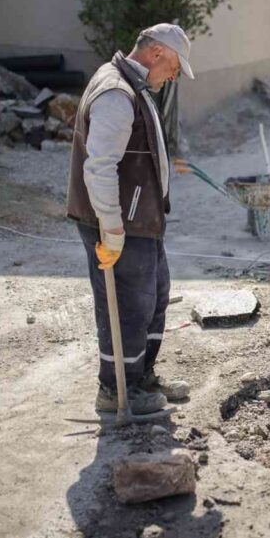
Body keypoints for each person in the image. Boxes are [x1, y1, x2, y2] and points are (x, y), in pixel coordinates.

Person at [66, 23, 195, 414]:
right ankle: (116, 390)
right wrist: (112, 229)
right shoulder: (116, 92)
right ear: (156, 53)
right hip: (122, 223)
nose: (174, 76)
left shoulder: (133, 86)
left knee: (153, 297)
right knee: (126, 305)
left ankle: (142, 376)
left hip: (143, 220)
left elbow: (132, 150)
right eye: (174, 66)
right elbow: (100, 168)